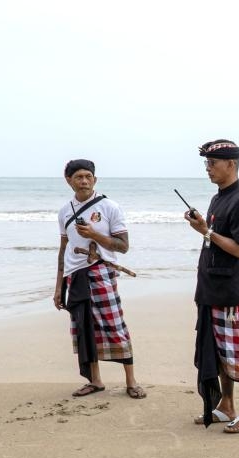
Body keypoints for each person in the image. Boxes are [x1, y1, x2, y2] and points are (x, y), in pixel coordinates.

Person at [53, 159, 146, 399]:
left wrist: (95, 235)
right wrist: (58, 287)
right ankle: (95, 381)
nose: (84, 181)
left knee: (114, 325)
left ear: (95, 179)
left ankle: (131, 381)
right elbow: (64, 249)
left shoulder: (109, 207)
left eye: (88, 176)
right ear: (68, 180)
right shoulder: (65, 212)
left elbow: (123, 246)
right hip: (74, 276)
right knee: (84, 328)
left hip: (101, 273)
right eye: (78, 177)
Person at [186, 139, 239, 433]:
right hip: (211, 288)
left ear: (231, 164)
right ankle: (227, 405)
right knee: (219, 352)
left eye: (212, 163)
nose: (208, 169)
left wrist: (207, 231)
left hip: (231, 290)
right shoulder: (219, 197)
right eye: (206, 164)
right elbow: (216, 239)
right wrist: (204, 228)